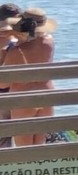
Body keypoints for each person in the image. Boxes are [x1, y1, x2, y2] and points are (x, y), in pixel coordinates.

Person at [1, 9, 56, 147]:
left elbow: (3, 84)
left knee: (24, 148)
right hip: (46, 94)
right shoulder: (49, 42)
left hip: (23, 98)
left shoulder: (17, 51)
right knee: (39, 147)